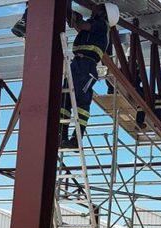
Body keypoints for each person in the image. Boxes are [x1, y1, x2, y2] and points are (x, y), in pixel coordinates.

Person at [60, 3, 120, 149]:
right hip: (78, 63)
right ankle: (62, 137)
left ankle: (77, 139)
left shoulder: (101, 24)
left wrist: (75, 18)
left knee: (81, 100)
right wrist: (75, 18)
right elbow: (81, 26)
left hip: (87, 64)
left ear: (104, 14)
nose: (94, 10)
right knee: (65, 99)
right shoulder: (95, 25)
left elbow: (82, 26)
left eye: (98, 8)